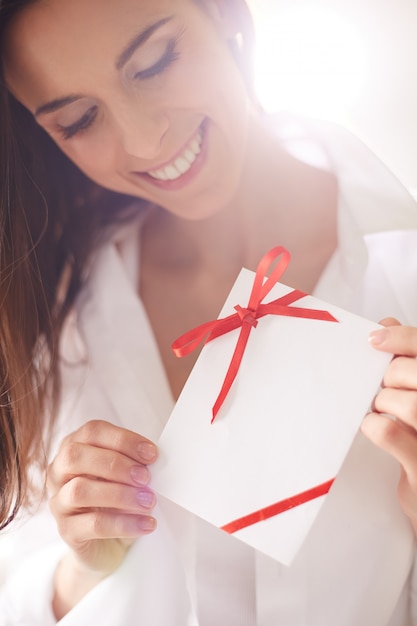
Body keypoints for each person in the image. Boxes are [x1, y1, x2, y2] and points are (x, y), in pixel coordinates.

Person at [0, 0, 417, 623]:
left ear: (222, 12)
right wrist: (83, 566)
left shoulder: (401, 264)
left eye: (154, 63)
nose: (144, 139)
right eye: (81, 120)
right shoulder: (48, 319)